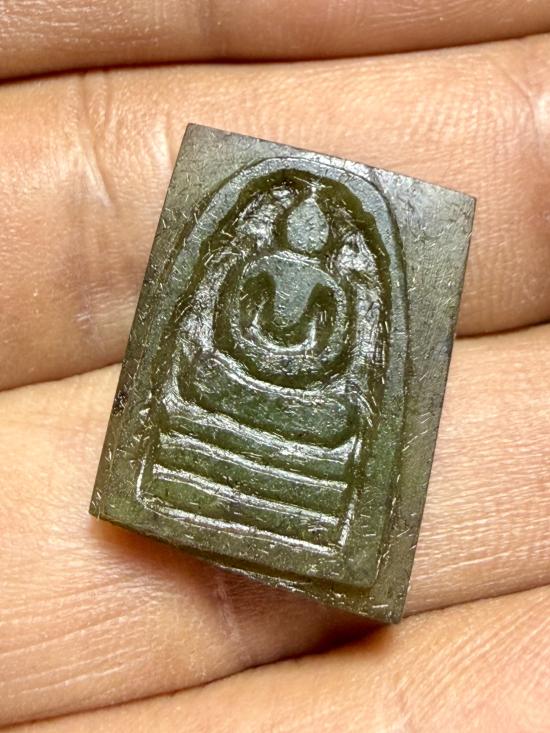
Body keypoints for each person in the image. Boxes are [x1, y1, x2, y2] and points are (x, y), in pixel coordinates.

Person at [0, 2, 549, 730]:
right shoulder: (262, 265)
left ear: (323, 243)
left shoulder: (329, 283)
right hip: (234, 376)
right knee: (201, 375)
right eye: (301, 225)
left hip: (304, 395)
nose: (307, 234)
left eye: (315, 233)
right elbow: (227, 325)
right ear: (287, 229)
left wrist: (294, 374)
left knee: (335, 417)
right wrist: (255, 362)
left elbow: (335, 351)